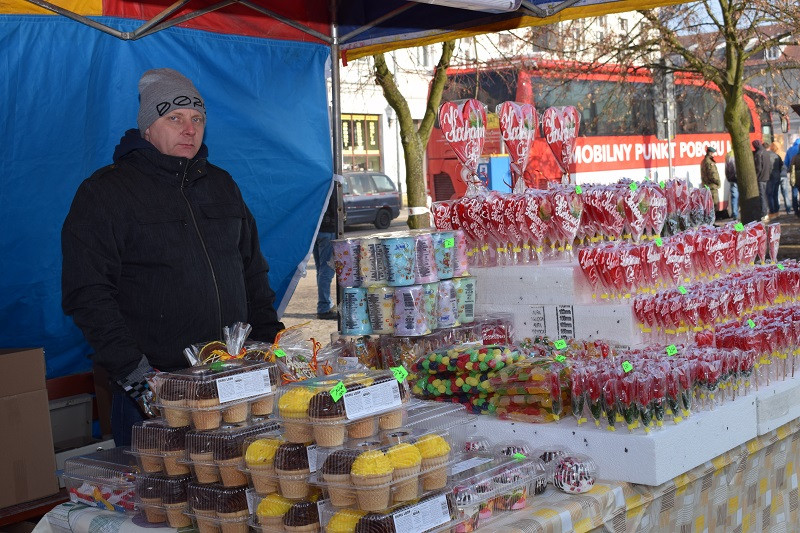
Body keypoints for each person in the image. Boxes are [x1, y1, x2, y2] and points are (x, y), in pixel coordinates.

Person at [62, 68, 285, 445]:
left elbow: (253, 275)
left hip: (234, 382)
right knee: (159, 498)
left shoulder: (222, 185)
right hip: (158, 390)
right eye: (175, 118)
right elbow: (87, 293)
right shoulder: (106, 192)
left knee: (231, 494)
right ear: (148, 128)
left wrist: (271, 348)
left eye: (197, 119)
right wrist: (137, 375)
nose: (189, 129)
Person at [314, 193, 338, 320]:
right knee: (327, 270)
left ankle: (326, 303)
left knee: (321, 270)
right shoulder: (332, 182)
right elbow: (336, 206)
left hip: (315, 230)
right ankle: (324, 307)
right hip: (328, 231)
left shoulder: (317, 181)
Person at [752, 140, 771, 220]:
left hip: (760, 178)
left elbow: (758, 167)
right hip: (766, 177)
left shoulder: (758, 153)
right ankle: (765, 212)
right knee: (765, 195)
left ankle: (764, 213)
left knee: (762, 196)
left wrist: (756, 177)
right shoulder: (766, 152)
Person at [700, 146, 721, 217]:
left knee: (708, 205)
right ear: (710, 153)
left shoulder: (704, 161)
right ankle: (713, 223)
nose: (714, 154)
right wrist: (718, 182)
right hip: (712, 186)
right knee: (713, 205)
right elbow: (713, 174)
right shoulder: (709, 162)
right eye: (713, 153)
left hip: (706, 186)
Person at [766, 143, 784, 217]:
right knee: (775, 194)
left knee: (769, 194)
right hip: (777, 176)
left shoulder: (767, 155)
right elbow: (781, 165)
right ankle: (776, 210)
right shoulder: (777, 155)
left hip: (770, 176)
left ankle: (772, 210)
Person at [725, 150, 738, 220]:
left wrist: (728, 178)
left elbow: (726, 168)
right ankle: (737, 215)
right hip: (740, 179)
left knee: (734, 197)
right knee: (739, 197)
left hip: (732, 179)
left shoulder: (729, 155)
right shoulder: (741, 152)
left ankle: (735, 215)